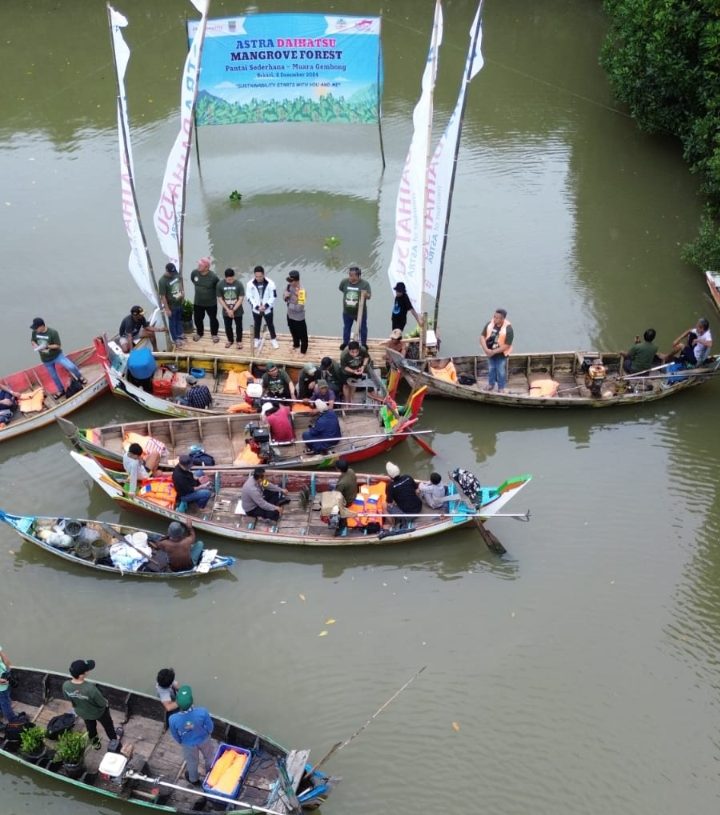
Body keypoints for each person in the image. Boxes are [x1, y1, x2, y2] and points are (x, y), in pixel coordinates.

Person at [63, 659, 118, 749]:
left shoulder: (66, 685)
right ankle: (114, 742)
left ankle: (95, 744)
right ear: (82, 675)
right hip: (98, 713)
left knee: (91, 728)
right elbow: (102, 703)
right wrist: (106, 703)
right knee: (108, 726)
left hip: (82, 712)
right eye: (87, 669)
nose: (88, 670)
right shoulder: (90, 689)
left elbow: (68, 698)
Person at [168, 685, 214, 787]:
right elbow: (210, 727)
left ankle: (194, 779)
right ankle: (211, 775)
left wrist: (182, 741)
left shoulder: (172, 719)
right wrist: (207, 733)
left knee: (192, 762)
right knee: (209, 757)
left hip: (188, 744)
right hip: (204, 739)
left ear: (178, 704)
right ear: (192, 701)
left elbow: (175, 734)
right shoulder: (202, 712)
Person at [30, 318, 86, 398]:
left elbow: (58, 345)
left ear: (42, 326)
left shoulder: (53, 333)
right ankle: (61, 390)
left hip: (57, 355)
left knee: (71, 366)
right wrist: (36, 346)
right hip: (46, 359)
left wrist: (47, 346)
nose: (35, 329)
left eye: (36, 328)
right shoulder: (34, 332)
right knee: (54, 376)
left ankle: (79, 377)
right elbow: (32, 341)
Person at [479, 308, 514, 393]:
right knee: (491, 369)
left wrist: (493, 352)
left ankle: (501, 387)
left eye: (497, 318)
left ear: (502, 319)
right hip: (490, 352)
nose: (495, 319)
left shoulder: (508, 329)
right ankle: (491, 384)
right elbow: (482, 337)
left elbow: (507, 345)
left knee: (500, 370)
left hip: (501, 354)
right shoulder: (489, 324)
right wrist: (486, 349)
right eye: (494, 317)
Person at [339, 265, 371, 349]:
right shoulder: (344, 282)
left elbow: (369, 296)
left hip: (360, 313)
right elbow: (341, 289)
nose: (349, 276)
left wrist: (365, 294)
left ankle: (363, 344)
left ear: (357, 276)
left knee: (363, 328)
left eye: (351, 275)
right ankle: (345, 343)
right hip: (347, 312)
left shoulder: (364, 284)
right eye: (349, 274)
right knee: (346, 328)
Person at [247, 265, 279, 349]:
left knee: (270, 324)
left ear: (264, 274)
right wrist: (257, 307)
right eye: (256, 276)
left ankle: (273, 339)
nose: (258, 278)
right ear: (254, 275)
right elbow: (249, 297)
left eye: (260, 276)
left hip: (267, 308)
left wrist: (266, 305)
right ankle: (257, 339)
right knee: (257, 324)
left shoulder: (271, 283)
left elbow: (274, 296)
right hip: (256, 309)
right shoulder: (250, 284)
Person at [190, 257, 220, 342]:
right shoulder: (194, 273)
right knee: (197, 318)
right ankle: (199, 333)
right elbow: (193, 280)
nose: (198, 266)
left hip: (211, 303)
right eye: (198, 264)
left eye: (201, 265)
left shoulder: (213, 277)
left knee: (213, 319)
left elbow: (218, 287)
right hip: (198, 302)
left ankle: (214, 334)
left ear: (207, 267)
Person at [158, 262, 186, 347]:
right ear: (166, 270)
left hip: (179, 302)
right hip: (171, 306)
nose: (172, 274)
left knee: (179, 319)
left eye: (173, 272)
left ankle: (180, 333)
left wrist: (182, 291)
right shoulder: (162, 281)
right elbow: (163, 296)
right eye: (171, 273)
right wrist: (167, 309)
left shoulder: (176, 274)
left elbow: (180, 281)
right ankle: (175, 339)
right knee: (172, 322)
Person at [217, 267, 245, 349]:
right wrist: (228, 310)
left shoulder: (239, 284)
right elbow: (220, 298)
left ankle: (239, 341)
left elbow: (241, 298)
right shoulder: (220, 284)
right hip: (226, 310)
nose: (231, 281)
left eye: (232, 279)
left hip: (238, 310)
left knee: (239, 326)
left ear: (234, 276)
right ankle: (230, 340)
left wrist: (233, 310)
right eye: (229, 280)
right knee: (228, 326)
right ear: (225, 278)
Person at [284, 269, 308, 355]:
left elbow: (300, 308)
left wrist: (288, 304)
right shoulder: (288, 286)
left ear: (296, 280)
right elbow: (284, 296)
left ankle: (303, 351)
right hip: (290, 315)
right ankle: (296, 344)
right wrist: (285, 296)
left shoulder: (302, 291)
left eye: (291, 281)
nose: (290, 282)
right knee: (293, 331)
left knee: (303, 335)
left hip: (299, 317)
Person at [0, 644, 18, 722]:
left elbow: (3, 656)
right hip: (1, 684)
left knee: (5, 698)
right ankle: (13, 721)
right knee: (5, 702)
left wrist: (8, 667)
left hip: (5, 676)